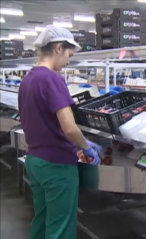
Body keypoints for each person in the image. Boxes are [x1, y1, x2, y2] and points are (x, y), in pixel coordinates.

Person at [18, 25, 102, 239]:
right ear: (58, 48)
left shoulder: (28, 79)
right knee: (61, 227)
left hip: (35, 161)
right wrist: (87, 147)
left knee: (43, 219)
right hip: (57, 165)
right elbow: (69, 127)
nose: (68, 63)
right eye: (69, 55)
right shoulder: (52, 79)